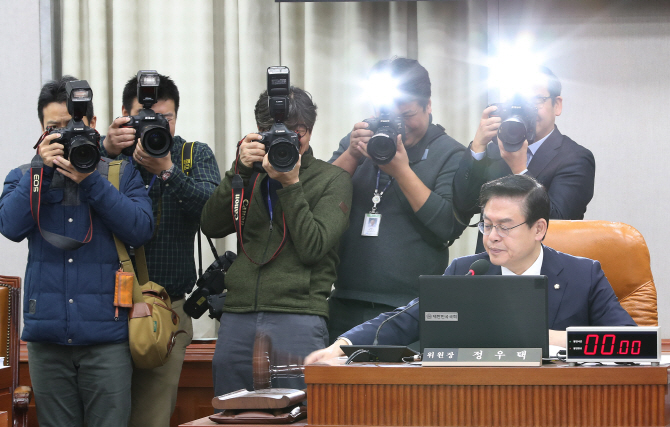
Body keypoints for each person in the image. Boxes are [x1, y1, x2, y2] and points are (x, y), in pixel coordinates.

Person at [306, 174, 634, 364]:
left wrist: (549, 339)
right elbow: (406, 319)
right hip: (476, 399)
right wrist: (342, 346)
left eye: (505, 226)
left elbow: (630, 343)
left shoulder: (583, 274)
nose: (492, 237)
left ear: (538, 229)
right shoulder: (469, 270)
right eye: (486, 225)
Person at [0, 76, 154, 426]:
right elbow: (9, 226)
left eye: (75, 124)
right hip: (47, 341)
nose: (66, 133)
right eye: (54, 126)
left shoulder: (118, 173)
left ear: (93, 125)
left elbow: (140, 229)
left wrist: (92, 182)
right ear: (41, 131)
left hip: (106, 339)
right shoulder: (26, 175)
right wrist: (39, 170)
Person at [201, 86, 352, 396]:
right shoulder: (249, 175)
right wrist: (238, 170)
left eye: (298, 133)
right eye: (274, 133)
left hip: (299, 314)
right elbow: (212, 225)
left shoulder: (332, 179)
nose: (288, 141)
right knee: (231, 413)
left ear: (308, 131)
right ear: (260, 133)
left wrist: (291, 184)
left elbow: (313, 247)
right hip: (238, 314)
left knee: (300, 413)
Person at [100, 73, 221, 427]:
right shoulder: (106, 157)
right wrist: (106, 150)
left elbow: (213, 215)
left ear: (176, 118)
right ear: (124, 114)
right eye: (143, 117)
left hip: (168, 310)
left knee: (151, 418)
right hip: (108, 311)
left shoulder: (190, 155)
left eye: (164, 119)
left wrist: (167, 171)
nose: (156, 125)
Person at [327, 57, 467, 343]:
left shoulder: (451, 153)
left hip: (411, 311)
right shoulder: (360, 141)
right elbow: (319, 197)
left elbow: (446, 225)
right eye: (387, 115)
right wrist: (351, 154)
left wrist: (401, 171)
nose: (399, 126)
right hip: (344, 302)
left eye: (407, 115)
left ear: (428, 106)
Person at [453, 67, 595, 253]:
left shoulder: (575, 158)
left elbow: (558, 222)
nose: (526, 110)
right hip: (491, 269)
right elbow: (462, 207)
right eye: (518, 102)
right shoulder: (496, 149)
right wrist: (477, 147)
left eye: (536, 100)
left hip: (541, 274)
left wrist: (520, 170)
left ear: (557, 105)